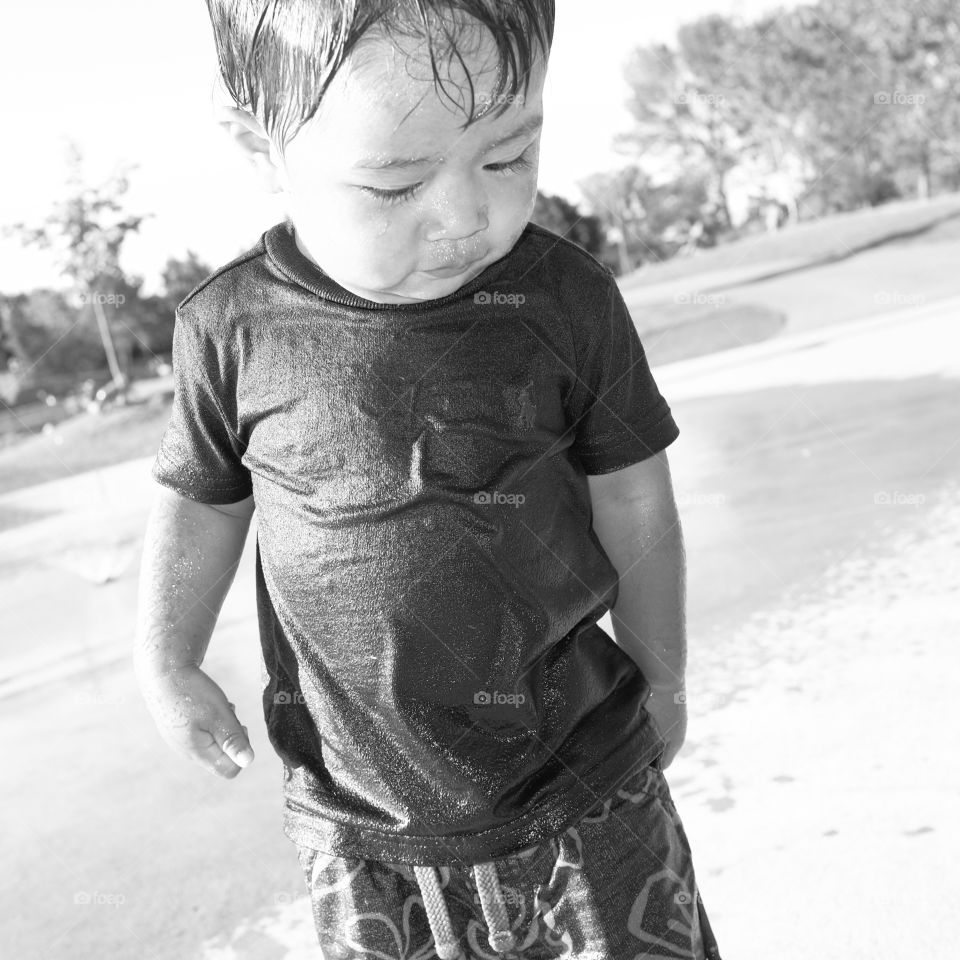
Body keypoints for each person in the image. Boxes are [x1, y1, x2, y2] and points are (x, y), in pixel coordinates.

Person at [133, 2, 723, 957]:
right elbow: (203, 500)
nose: (465, 219)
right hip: (360, 825)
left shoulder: (565, 300)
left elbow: (636, 496)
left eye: (506, 159)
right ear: (259, 147)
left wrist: (665, 672)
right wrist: (166, 658)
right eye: (396, 184)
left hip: (587, 788)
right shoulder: (229, 327)